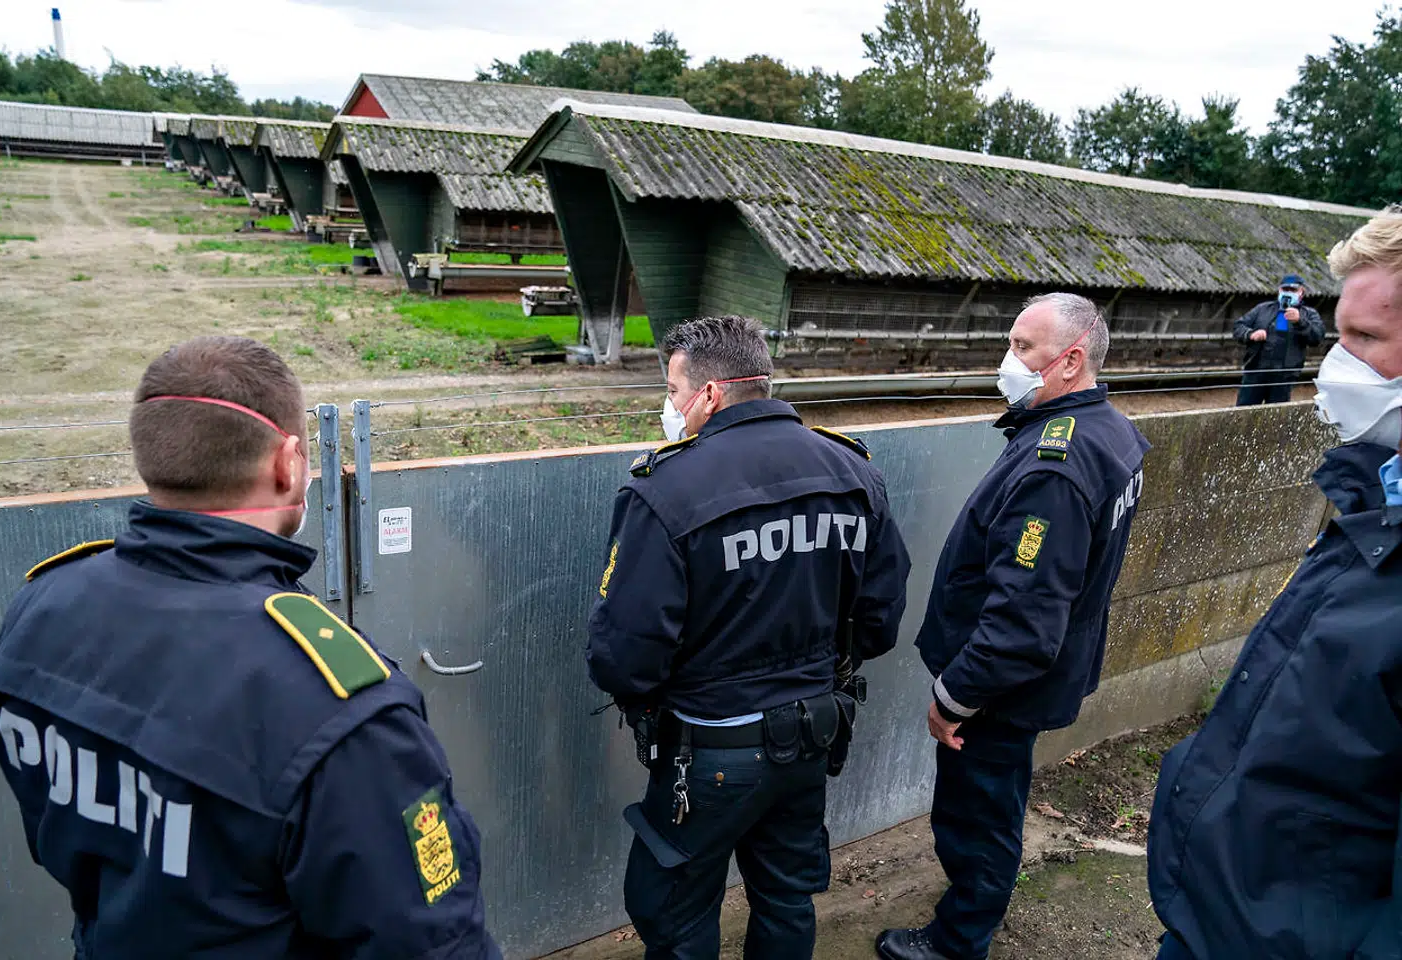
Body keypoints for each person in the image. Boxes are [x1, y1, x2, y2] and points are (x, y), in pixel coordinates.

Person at [0, 336, 500, 959]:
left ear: (152, 454)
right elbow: (430, 946)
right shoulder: (340, 712)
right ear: (288, 464)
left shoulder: (43, 608)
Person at [587, 315, 912, 959]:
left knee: (678, 914)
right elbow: (880, 619)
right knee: (787, 899)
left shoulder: (666, 488)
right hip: (811, 739)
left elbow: (624, 656)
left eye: (673, 390)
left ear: (709, 395)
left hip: (706, 753)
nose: (669, 406)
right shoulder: (851, 471)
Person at [1148, 209, 1402, 959]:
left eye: (1365, 341)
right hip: (1235, 914)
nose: (1338, 362)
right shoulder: (1372, 494)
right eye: (1339, 334)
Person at [876, 293, 1150, 960]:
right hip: (1036, 678)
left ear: (1070, 360)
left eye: (1025, 348)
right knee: (994, 807)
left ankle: (956, 942)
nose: (1010, 360)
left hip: (1000, 690)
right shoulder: (1109, 430)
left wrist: (953, 698)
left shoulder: (1052, 468)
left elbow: (1022, 623)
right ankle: (972, 919)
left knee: (977, 820)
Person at [1234, 273, 1327, 405]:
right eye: (1285, 289)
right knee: (1244, 413)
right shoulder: (1263, 309)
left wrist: (1300, 321)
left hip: (1284, 376)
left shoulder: (1308, 314)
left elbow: (1317, 337)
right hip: (1256, 372)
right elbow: (1238, 326)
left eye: (1293, 290)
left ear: (1301, 292)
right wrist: (1250, 334)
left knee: (1276, 417)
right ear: (1279, 290)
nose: (1288, 292)